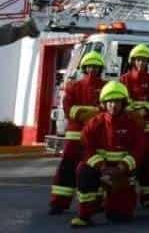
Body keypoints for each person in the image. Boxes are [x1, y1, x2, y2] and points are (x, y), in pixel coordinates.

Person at [70, 81, 145, 227]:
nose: (113, 105)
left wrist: (121, 168)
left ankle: (110, 200)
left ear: (124, 103)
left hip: (123, 171)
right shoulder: (94, 123)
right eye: (109, 101)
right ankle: (85, 215)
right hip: (101, 169)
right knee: (83, 171)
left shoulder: (133, 124)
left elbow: (139, 149)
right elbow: (86, 149)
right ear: (104, 103)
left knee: (120, 217)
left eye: (117, 101)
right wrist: (102, 167)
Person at [49, 51, 107, 215]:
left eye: (95, 67)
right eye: (89, 66)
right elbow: (68, 108)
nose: (92, 69)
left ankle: (95, 202)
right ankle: (58, 202)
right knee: (67, 169)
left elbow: (109, 108)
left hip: (96, 137)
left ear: (100, 68)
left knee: (94, 169)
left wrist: (87, 112)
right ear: (83, 67)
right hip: (75, 137)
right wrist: (91, 112)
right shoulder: (74, 86)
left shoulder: (105, 86)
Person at [120, 43, 149, 206]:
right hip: (130, 129)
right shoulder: (123, 80)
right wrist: (133, 112)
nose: (141, 63)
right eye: (138, 60)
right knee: (129, 163)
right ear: (133, 61)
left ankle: (148, 198)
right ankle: (124, 197)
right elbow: (121, 99)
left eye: (144, 60)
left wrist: (144, 112)